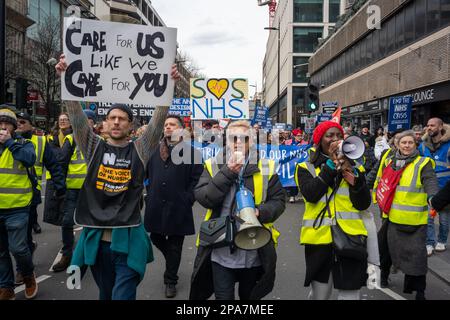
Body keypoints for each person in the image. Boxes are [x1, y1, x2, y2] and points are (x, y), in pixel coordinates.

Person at [55, 55, 180, 300]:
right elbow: (77, 117)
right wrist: (65, 78)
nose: (115, 121)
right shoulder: (92, 147)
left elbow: (157, 122)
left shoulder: (139, 150)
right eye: (111, 117)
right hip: (97, 239)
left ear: (131, 127)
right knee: (105, 293)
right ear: (102, 125)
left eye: (122, 118)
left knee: (122, 295)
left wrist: (169, 85)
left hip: (128, 238)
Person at [190, 120, 286, 300]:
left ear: (252, 141)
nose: (238, 142)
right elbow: (204, 197)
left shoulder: (266, 166)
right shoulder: (213, 165)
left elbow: (279, 201)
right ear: (226, 140)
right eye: (234, 138)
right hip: (220, 249)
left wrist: (260, 212)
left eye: (244, 138)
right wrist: (228, 172)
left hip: (254, 248)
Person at [295, 120, 371, 300]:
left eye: (339, 136)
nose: (335, 139)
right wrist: (330, 167)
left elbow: (363, 204)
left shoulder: (356, 167)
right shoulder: (306, 167)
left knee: (351, 294)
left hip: (350, 237)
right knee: (321, 295)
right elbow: (311, 194)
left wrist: (355, 181)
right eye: (329, 136)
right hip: (319, 239)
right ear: (320, 140)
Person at [144, 115, 203, 298]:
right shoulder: (152, 150)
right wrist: (149, 192)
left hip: (179, 206)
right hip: (155, 204)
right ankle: (172, 259)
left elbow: (197, 180)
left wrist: (188, 198)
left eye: (173, 124)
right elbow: (144, 174)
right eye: (166, 125)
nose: (168, 127)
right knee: (156, 237)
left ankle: (170, 281)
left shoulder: (192, 152)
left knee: (176, 245)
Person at [376, 130, 438, 300]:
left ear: (415, 144)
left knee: (417, 259)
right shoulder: (390, 161)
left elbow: (430, 181)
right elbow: (382, 182)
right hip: (391, 218)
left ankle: (420, 292)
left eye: (410, 142)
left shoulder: (423, 163)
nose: (407, 145)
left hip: (415, 223)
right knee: (386, 251)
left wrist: (433, 198)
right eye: (403, 143)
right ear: (397, 144)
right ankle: (383, 276)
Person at [14, 112, 66, 282]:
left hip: (28, 196)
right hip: (3, 199)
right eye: (17, 122)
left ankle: (23, 270)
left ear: (31, 125)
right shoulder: (5, 140)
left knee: (23, 237)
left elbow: (53, 165)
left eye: (23, 121)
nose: (19, 124)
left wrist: (60, 187)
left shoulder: (40, 142)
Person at [0, 108, 38, 300]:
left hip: (18, 207)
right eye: (0, 124)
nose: (3, 128)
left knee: (18, 248)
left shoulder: (24, 144)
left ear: (14, 128)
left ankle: (28, 275)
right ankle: (6, 286)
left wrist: (9, 144)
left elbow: (30, 159)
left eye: (6, 124)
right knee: (1, 252)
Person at [51, 110, 94, 272]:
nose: (87, 123)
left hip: (92, 191)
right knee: (67, 221)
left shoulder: (100, 141)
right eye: (85, 120)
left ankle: (87, 254)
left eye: (90, 120)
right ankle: (67, 254)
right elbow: (60, 163)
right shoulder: (71, 138)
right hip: (73, 189)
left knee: (91, 223)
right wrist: (59, 186)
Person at [419, 118, 450, 255]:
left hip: (445, 189)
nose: (429, 128)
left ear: (441, 126)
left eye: (432, 125)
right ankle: (429, 242)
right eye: (427, 125)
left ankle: (442, 241)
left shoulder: (449, 145)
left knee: (443, 219)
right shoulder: (423, 146)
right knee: (428, 218)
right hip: (428, 187)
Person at [43, 112, 72, 226]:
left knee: (67, 209)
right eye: (61, 119)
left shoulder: (74, 136)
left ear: (70, 122)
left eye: (65, 119)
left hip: (70, 176)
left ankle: (67, 237)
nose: (62, 121)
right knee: (55, 208)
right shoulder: (51, 137)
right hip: (54, 176)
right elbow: (54, 156)